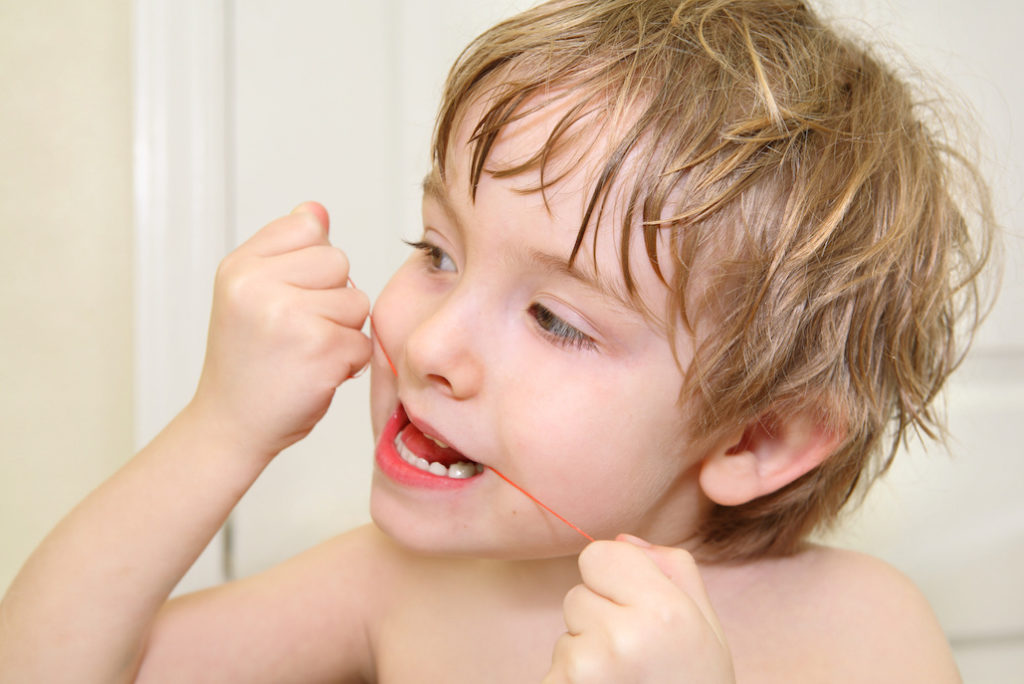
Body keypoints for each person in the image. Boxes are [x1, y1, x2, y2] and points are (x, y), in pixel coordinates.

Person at [0, 0, 996, 681]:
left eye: (557, 319)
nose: (430, 340)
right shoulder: (394, 584)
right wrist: (217, 430)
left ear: (754, 440)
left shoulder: (860, 631)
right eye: (435, 248)